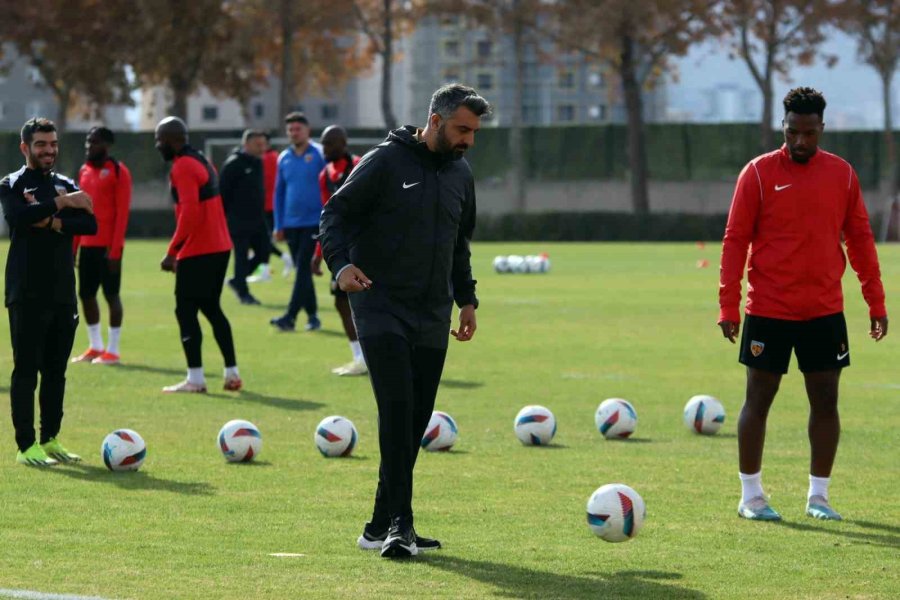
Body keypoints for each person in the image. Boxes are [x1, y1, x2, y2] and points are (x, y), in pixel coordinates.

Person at [320, 84, 488, 557]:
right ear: (434, 121)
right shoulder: (383, 162)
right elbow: (334, 215)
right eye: (461, 129)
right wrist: (340, 266)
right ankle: (401, 525)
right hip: (380, 303)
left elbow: (459, 244)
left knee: (413, 420)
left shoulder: (462, 175)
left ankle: (376, 525)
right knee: (396, 408)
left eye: (474, 132)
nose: (468, 140)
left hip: (432, 311)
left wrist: (467, 299)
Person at [718, 87, 888, 522]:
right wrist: (729, 305)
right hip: (769, 309)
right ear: (784, 127)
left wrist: (875, 300)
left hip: (824, 310)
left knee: (826, 401)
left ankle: (819, 497)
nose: (800, 141)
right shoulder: (756, 174)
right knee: (759, 399)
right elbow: (735, 240)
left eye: (809, 133)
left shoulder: (842, 175)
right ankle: (751, 496)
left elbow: (861, 239)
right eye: (793, 132)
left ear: (822, 130)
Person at [0, 117, 97, 466]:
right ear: (25, 147)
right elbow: (19, 218)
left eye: (53, 144)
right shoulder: (11, 183)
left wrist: (53, 219)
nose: (49, 150)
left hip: (62, 291)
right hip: (25, 291)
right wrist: (62, 204)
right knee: (26, 369)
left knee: (56, 370)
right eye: (41, 144)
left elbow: (90, 223)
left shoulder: (65, 183)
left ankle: (50, 438)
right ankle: (26, 446)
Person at [155, 116, 242, 393]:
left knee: (186, 311)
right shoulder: (202, 160)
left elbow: (190, 214)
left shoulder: (182, 166)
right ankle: (231, 373)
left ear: (173, 140)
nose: (158, 146)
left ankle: (196, 379)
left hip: (199, 249)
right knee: (211, 308)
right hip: (220, 246)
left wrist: (172, 252)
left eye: (160, 140)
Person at [71, 126, 132, 365]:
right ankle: (95, 346)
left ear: (107, 145)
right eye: (88, 142)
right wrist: (73, 246)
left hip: (109, 247)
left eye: (94, 142)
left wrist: (115, 250)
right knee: (86, 294)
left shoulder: (119, 172)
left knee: (111, 295)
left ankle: (113, 350)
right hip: (87, 245)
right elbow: (78, 211)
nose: (89, 146)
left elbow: (122, 213)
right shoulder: (83, 171)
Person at [311, 125, 365, 376]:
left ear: (343, 143)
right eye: (323, 144)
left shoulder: (359, 166)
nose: (325, 149)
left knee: (363, 301)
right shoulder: (326, 175)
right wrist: (318, 253)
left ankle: (368, 356)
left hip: (364, 246)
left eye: (330, 144)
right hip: (341, 249)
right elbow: (327, 217)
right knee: (341, 301)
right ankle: (360, 356)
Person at [270, 112, 326, 332]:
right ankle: (313, 317)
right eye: (290, 130)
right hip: (291, 223)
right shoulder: (283, 157)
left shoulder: (319, 154)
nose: (294, 133)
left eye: (298, 129)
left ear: (307, 131)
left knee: (303, 268)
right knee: (303, 271)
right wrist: (278, 224)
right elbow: (278, 192)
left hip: (314, 221)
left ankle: (290, 317)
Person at [220, 129, 268, 305]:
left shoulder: (258, 162)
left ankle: (237, 281)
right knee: (241, 256)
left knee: (264, 252)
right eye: (258, 144)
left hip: (258, 219)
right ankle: (244, 293)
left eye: (263, 144)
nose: (262, 148)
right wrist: (224, 220)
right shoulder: (233, 164)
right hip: (238, 220)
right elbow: (222, 194)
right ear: (246, 145)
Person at [247, 133, 293, 282]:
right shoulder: (276, 157)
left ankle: (266, 271)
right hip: (271, 206)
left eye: (261, 143)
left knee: (261, 241)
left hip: (265, 206)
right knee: (264, 240)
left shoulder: (266, 159)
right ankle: (281, 260)